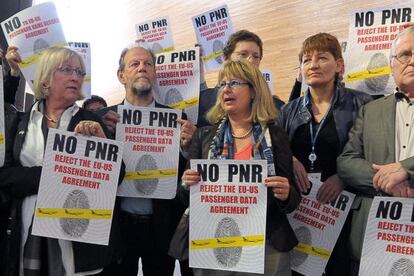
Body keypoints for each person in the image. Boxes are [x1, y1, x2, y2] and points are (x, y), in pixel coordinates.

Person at [0, 46, 123, 276]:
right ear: (46, 77)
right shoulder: (19, 121)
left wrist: (103, 143)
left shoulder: (92, 121)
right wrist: (55, 174)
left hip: (79, 243)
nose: (76, 77)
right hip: (27, 231)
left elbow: (118, 177)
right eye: (67, 70)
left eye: (79, 72)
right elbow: (4, 175)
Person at [182, 60, 300, 276]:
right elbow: (185, 195)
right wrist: (186, 184)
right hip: (213, 239)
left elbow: (293, 198)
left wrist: (286, 193)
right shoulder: (204, 136)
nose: (226, 89)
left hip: (265, 242)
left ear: (253, 91)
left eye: (234, 83)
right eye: (222, 84)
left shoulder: (274, 135)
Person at [98, 44, 197, 276]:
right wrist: (106, 139)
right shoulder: (105, 120)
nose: (142, 68)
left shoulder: (177, 119)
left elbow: (184, 178)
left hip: (161, 227)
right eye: (135, 64)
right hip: (119, 228)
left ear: (154, 73)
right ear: (122, 76)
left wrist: (187, 149)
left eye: (148, 64)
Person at [278, 33, 372, 276]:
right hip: (301, 208)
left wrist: (343, 177)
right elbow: (274, 151)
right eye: (307, 60)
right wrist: (289, 159)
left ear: (339, 65)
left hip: (342, 208)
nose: (314, 65)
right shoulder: (288, 110)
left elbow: (370, 154)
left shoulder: (361, 103)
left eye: (322, 58)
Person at [337, 26, 414, 275]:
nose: (412, 60)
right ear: (392, 64)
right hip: (374, 235)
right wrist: (385, 181)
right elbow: (347, 162)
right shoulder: (370, 110)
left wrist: (406, 169)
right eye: (405, 54)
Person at [198, 30, 284, 128]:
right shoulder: (204, 101)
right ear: (226, 59)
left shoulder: (276, 107)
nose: (250, 60)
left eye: (256, 56)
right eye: (243, 54)